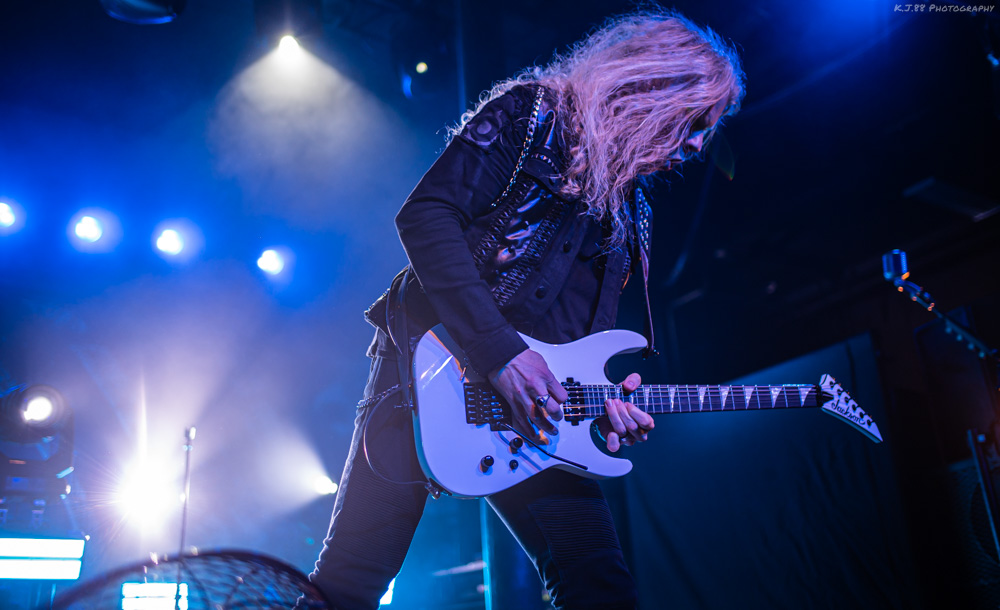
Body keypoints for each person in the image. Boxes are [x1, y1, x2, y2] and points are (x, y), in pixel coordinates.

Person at [309, 9, 745, 609]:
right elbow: (426, 216)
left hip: (535, 415)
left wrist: (605, 405)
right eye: (695, 122)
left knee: (600, 588)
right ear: (650, 86)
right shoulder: (531, 115)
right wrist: (502, 353)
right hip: (429, 371)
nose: (698, 145)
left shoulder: (633, 210)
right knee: (348, 585)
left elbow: (583, 340)